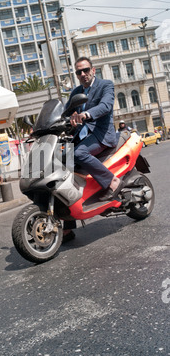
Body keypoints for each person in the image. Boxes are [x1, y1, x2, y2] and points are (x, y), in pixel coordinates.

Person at [63, 57, 124, 242]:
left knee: (79, 153)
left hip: (101, 134)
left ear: (93, 70)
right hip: (81, 136)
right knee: (61, 165)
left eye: (85, 70)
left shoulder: (106, 85)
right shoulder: (76, 92)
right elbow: (64, 113)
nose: (82, 74)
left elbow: (105, 106)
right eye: (78, 72)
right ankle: (67, 226)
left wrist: (86, 114)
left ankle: (112, 182)